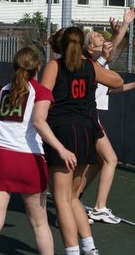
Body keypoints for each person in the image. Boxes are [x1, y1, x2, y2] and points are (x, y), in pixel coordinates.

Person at [0, 47, 77, 255]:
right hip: (28, 158)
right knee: (39, 224)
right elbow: (39, 121)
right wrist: (62, 149)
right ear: (38, 67)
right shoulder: (40, 92)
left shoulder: (3, 90)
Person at [41, 26, 125, 255]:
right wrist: (101, 63)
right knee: (73, 197)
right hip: (87, 133)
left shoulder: (54, 66)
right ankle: (90, 247)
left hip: (62, 132)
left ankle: (72, 251)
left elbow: (42, 99)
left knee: (61, 200)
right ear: (82, 45)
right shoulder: (89, 66)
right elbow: (117, 81)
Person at [80, 11, 135, 225]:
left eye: (104, 38)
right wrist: (120, 31)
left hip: (91, 117)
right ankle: (99, 208)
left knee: (99, 162)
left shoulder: (100, 64)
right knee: (111, 159)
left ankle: (75, 197)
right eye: (98, 39)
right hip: (86, 117)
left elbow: (108, 90)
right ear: (90, 48)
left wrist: (132, 85)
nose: (103, 39)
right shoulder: (92, 65)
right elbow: (112, 45)